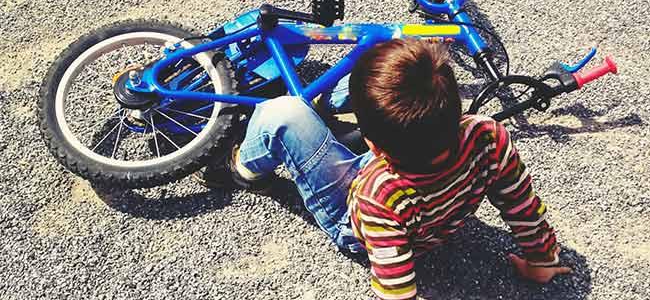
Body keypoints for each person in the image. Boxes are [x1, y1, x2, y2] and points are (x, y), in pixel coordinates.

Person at [199, 38, 570, 299]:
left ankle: (242, 168)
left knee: (282, 113)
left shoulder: (379, 193)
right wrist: (541, 259)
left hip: (365, 220)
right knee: (383, 82)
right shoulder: (487, 134)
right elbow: (521, 205)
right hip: (426, 203)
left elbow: (396, 288)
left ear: (372, 144)